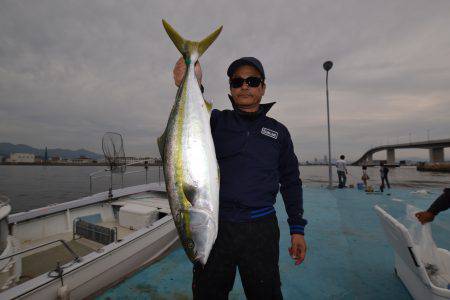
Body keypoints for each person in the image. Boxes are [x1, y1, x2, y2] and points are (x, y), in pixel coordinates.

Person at [173, 57, 307, 299]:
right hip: (215, 227)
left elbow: (291, 181)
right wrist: (191, 83)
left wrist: (297, 228)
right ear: (231, 89)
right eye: (237, 81)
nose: (244, 86)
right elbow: (192, 119)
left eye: (252, 81)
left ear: (263, 87)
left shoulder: (278, 132)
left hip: (261, 229)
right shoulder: (214, 122)